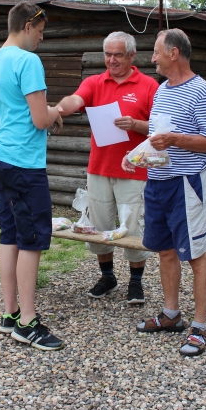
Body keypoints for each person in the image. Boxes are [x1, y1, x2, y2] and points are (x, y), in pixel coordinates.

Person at [123, 28, 206, 357]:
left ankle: (200, 326)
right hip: (157, 183)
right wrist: (135, 156)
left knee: (196, 255)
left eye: (156, 52)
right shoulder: (162, 90)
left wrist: (176, 139)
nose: (152, 58)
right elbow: (157, 138)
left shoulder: (202, 91)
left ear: (174, 53)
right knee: (165, 252)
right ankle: (171, 315)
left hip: (186, 185)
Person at [55, 32, 159, 304]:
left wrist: (135, 125)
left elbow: (161, 128)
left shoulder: (149, 85)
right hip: (99, 169)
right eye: (108, 54)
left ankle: (135, 282)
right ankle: (108, 276)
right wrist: (57, 110)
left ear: (132, 56)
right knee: (99, 226)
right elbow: (75, 100)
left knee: (133, 227)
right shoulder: (94, 82)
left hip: (134, 171)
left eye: (118, 55)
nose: (112, 60)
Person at [0, 2, 64, 351]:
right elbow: (39, 119)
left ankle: (10, 313)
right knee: (32, 239)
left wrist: (47, 112)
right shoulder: (28, 61)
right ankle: (28, 323)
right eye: (41, 31)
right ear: (27, 26)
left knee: (10, 235)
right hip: (23, 164)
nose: (42, 38)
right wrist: (56, 111)